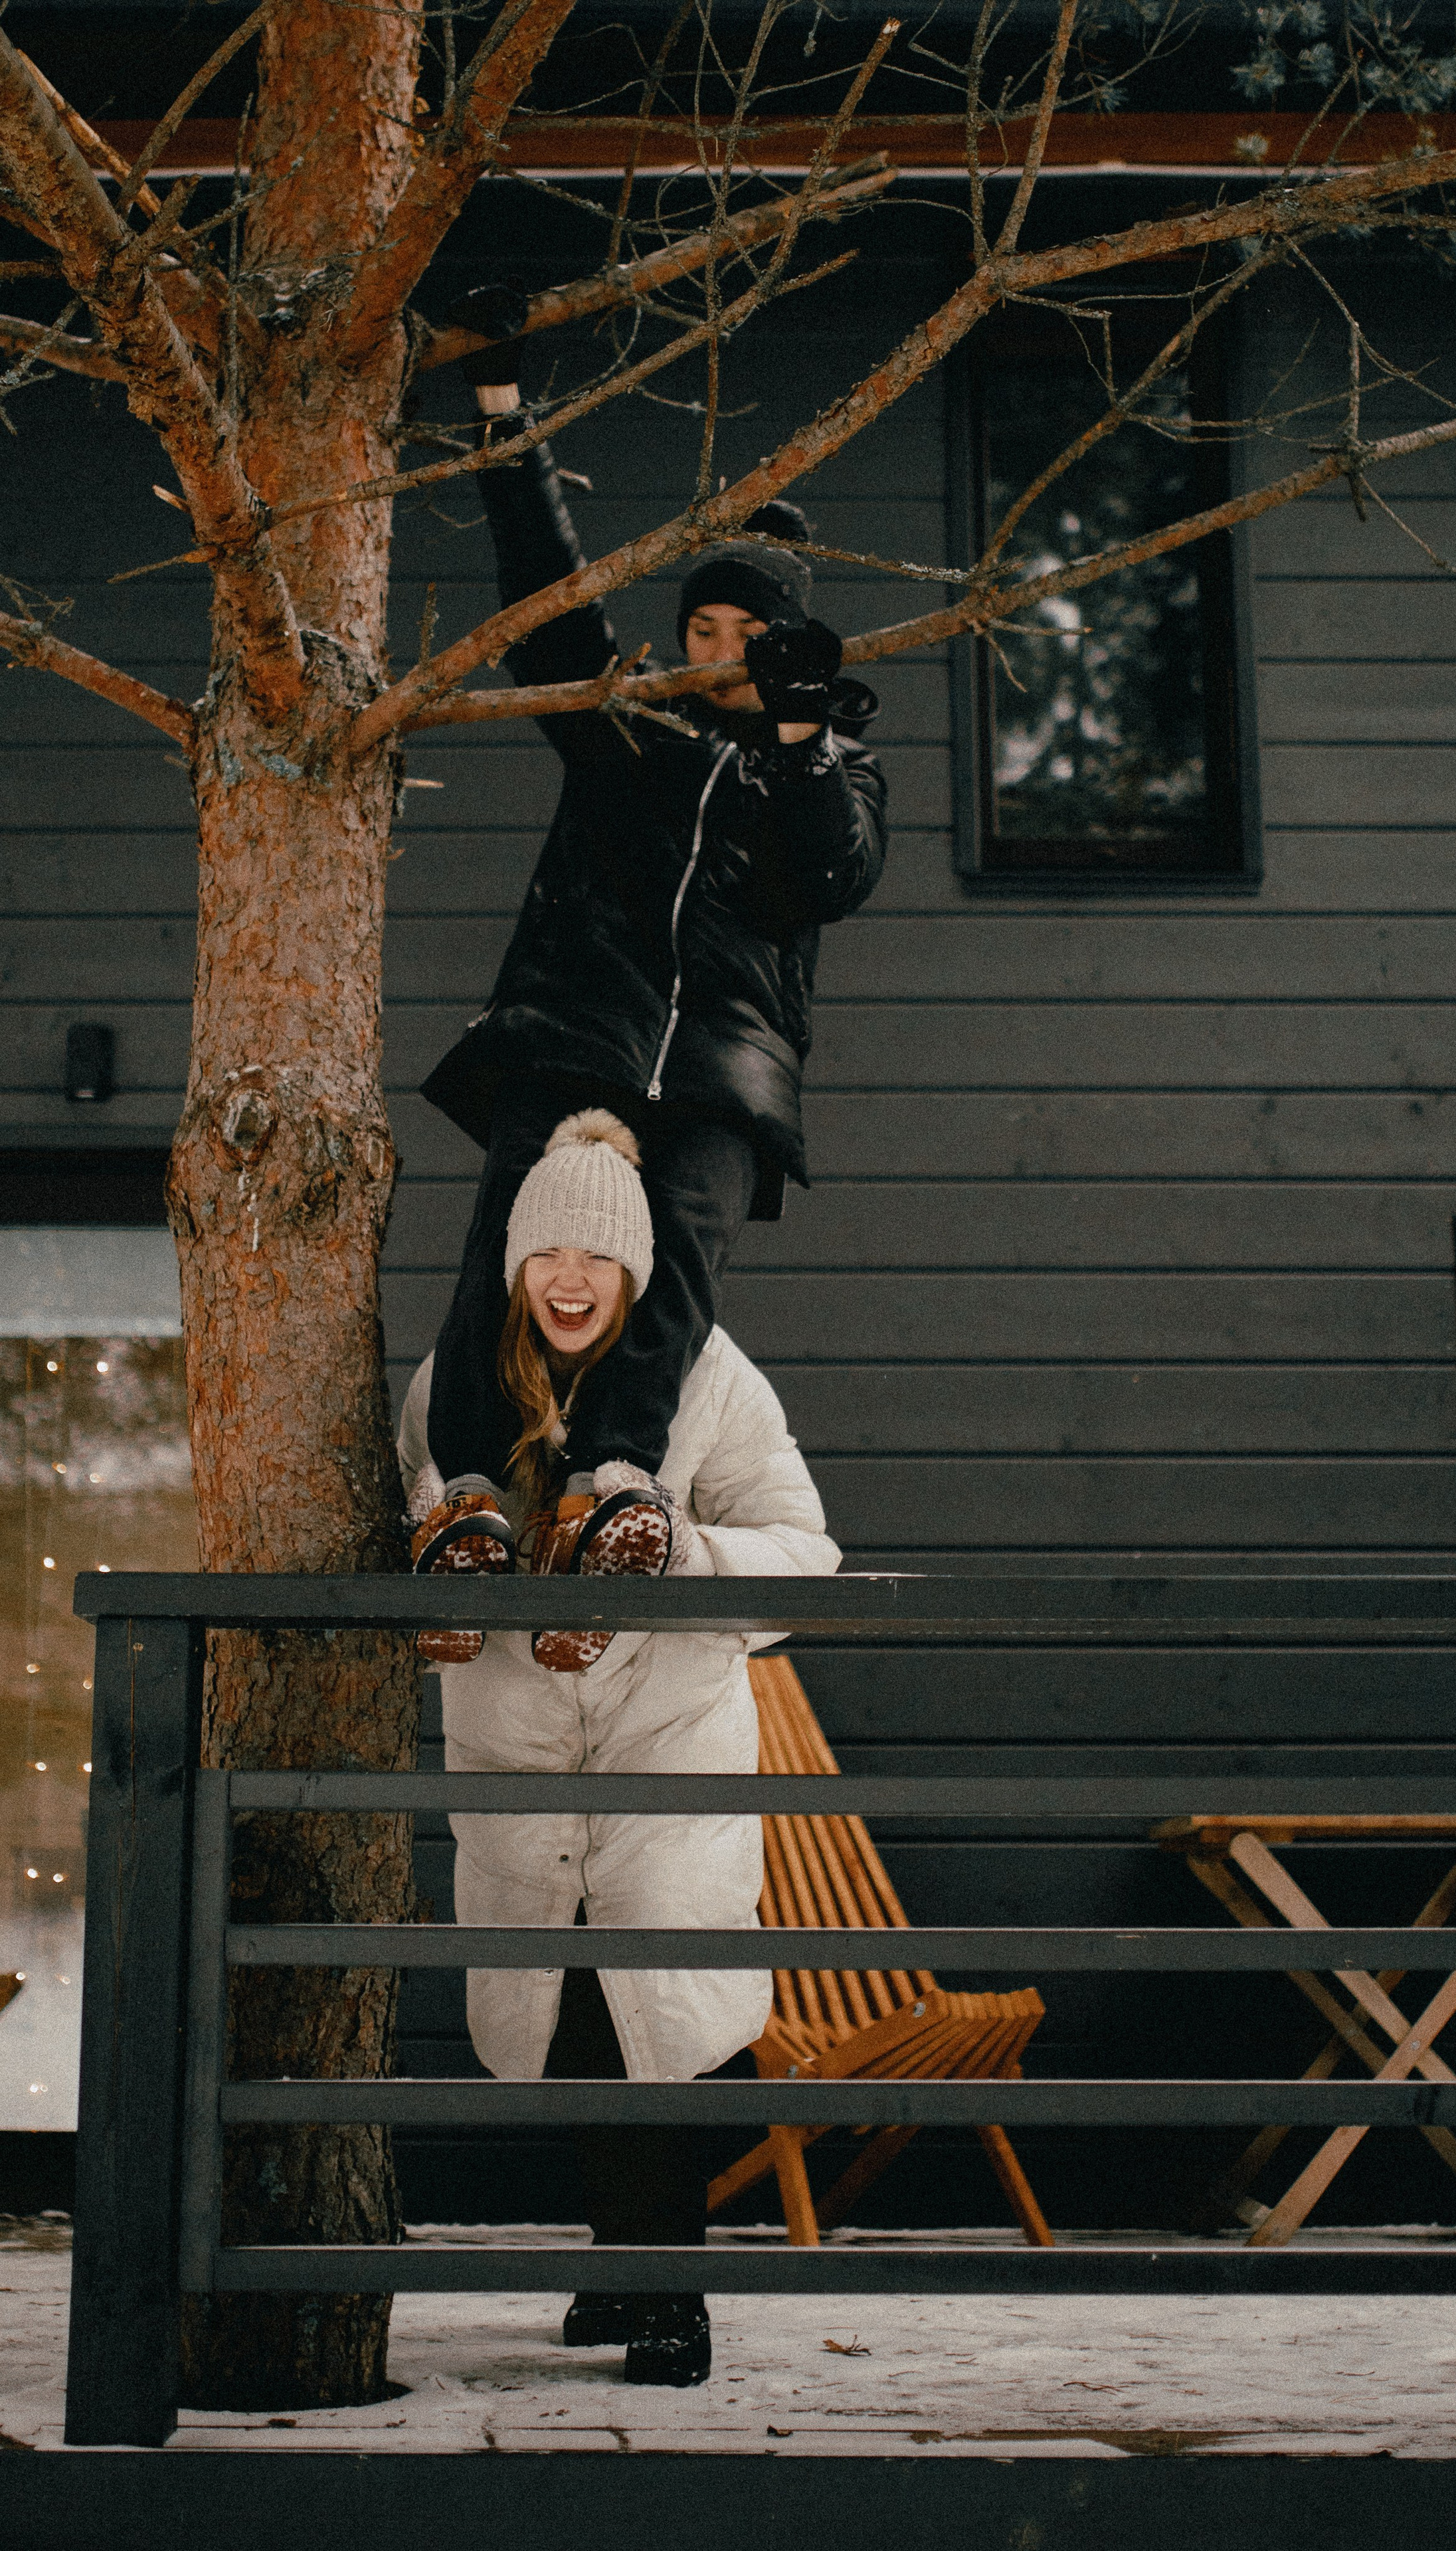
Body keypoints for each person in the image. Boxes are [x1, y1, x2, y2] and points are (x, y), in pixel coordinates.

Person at [410, 285, 885, 1613]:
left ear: (788, 650)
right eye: (703, 634)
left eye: (749, 642)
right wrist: (504, 414)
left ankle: (616, 1482)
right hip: (575, 1026)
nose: (718, 659)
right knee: (510, 1246)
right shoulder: (624, 728)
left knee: (675, 1256)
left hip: (726, 1064)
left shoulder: (829, 765)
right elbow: (547, 603)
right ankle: (465, 1495)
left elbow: (836, 878)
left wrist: (796, 738)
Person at [398, 1109, 840, 2387]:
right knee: (573, 2023)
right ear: (516, 1263)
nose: (571, 1283)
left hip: (669, 1758)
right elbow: (401, 1513)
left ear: (640, 1270)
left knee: (668, 2017)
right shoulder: (457, 1384)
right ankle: (618, 2261)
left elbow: (803, 1553)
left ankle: (670, 2291)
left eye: (598, 1260)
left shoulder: (709, 1380)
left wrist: (684, 1555)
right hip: (516, 1756)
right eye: (548, 1256)